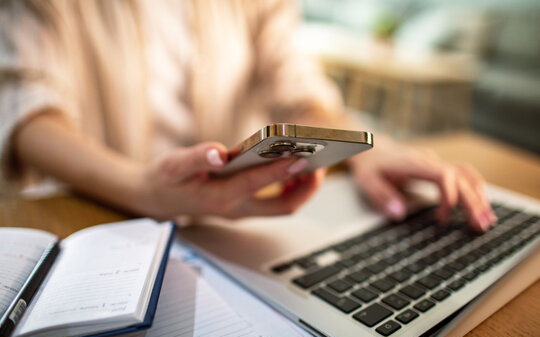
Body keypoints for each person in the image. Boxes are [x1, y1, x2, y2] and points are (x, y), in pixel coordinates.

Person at [0, 0, 496, 231]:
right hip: (100, 212)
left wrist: (362, 147)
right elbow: (23, 104)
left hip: (229, 229)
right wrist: (142, 188)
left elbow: (296, 81)